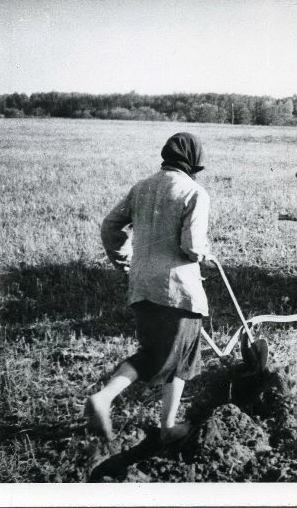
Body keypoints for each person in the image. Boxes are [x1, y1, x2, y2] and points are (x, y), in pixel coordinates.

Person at [86, 132, 211, 444]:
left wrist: (125, 261)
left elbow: (110, 226)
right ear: (194, 161)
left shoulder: (141, 187)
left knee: (156, 354)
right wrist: (206, 253)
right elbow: (192, 246)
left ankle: (167, 424)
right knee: (178, 357)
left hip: (141, 285)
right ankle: (106, 398)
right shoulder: (195, 192)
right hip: (178, 291)